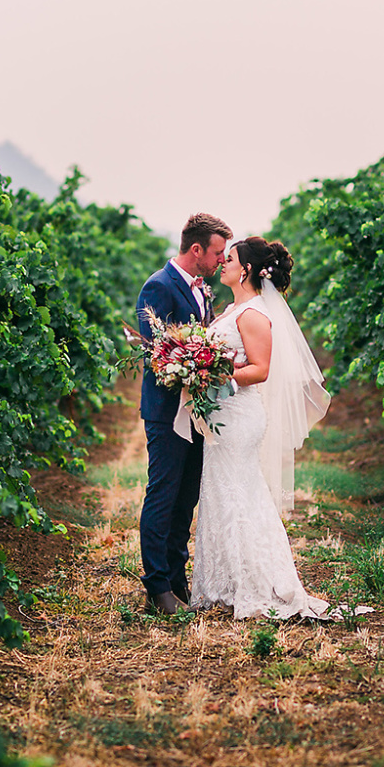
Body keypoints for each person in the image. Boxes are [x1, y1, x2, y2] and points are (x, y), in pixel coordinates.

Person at [183, 235, 339, 619]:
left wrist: (215, 375)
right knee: (222, 494)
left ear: (247, 270)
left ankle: (254, 583)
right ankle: (224, 583)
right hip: (224, 418)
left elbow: (261, 369)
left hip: (239, 418)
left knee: (240, 496)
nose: (224, 263)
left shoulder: (253, 313)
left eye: (230, 258)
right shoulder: (231, 310)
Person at [134, 212, 231, 614]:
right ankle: (157, 587)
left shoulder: (202, 290)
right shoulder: (158, 286)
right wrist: (189, 363)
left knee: (186, 497)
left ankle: (177, 580)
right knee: (163, 495)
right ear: (196, 250)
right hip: (166, 411)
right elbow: (153, 352)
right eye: (217, 253)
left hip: (195, 412)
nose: (221, 261)